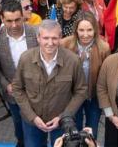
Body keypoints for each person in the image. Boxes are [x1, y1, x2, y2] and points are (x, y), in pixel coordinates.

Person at [11, 19, 88, 147]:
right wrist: (32, 117)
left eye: (54, 38)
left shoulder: (73, 61)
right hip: (32, 122)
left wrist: (63, 117)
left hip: (61, 123)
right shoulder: (25, 58)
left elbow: (81, 91)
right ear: (38, 38)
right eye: (46, 38)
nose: (50, 43)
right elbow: (17, 88)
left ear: (60, 38)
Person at [0, 0, 38, 147]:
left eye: (17, 20)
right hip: (13, 94)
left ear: (23, 16)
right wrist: (6, 85)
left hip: (35, 92)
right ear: (2, 19)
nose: (14, 25)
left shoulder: (35, 33)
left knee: (33, 127)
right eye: (9, 21)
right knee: (18, 123)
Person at [60, 11, 109, 133]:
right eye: (81, 30)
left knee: (91, 132)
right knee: (73, 132)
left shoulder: (104, 48)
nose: (85, 35)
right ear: (76, 30)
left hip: (93, 97)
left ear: (95, 30)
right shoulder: (64, 44)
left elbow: (106, 76)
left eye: (89, 30)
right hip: (72, 97)